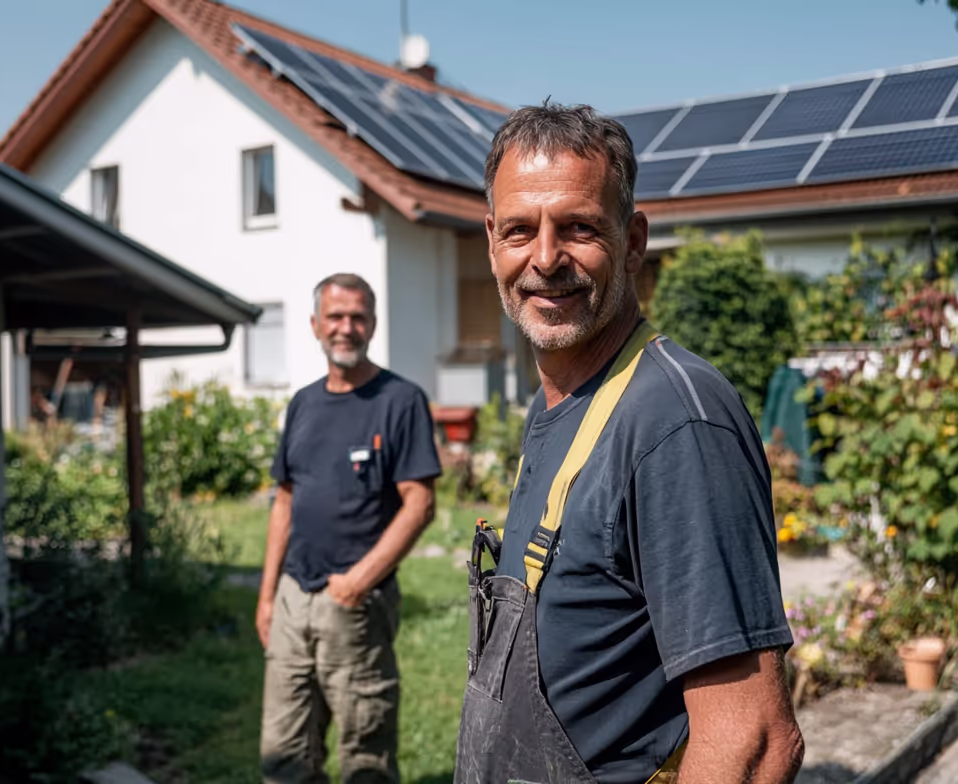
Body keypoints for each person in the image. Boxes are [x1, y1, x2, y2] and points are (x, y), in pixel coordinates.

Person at [453, 102, 804, 784]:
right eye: (520, 231)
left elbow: (755, 741)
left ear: (634, 241)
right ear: (492, 241)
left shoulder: (673, 421)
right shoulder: (560, 403)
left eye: (579, 228)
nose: (546, 258)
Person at [257, 273, 442, 784]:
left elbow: (419, 503)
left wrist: (358, 582)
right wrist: (269, 595)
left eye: (357, 317)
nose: (346, 328)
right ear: (316, 325)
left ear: (373, 324)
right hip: (295, 595)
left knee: (366, 754)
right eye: (335, 317)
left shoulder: (400, 400)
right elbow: (285, 500)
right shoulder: (303, 404)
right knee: (283, 751)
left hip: (355, 605)